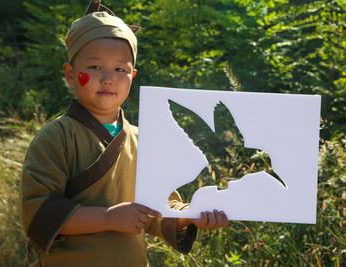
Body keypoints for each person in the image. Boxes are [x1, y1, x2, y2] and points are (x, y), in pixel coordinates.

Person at [20, 1, 228, 266]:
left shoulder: (144, 140)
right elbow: (38, 214)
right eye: (95, 67)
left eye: (120, 69)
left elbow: (159, 210)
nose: (108, 78)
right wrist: (108, 217)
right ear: (70, 73)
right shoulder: (56, 137)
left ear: (132, 75)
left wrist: (191, 215)